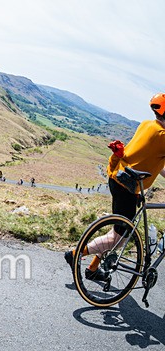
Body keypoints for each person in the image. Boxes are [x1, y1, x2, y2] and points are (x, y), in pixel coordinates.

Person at [65, 93, 165, 279]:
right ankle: (75, 254)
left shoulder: (147, 125)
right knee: (119, 237)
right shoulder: (163, 136)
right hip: (127, 186)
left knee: (118, 231)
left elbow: (150, 159)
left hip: (118, 176)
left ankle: (93, 269)